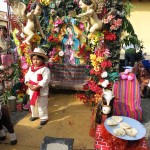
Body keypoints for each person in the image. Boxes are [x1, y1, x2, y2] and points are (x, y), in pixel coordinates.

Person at [25, 47, 50, 126]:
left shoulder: (45, 69)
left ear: (43, 60)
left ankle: (43, 117)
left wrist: (37, 86)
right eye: (34, 59)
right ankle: (35, 115)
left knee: (42, 104)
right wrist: (29, 84)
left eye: (38, 59)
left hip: (41, 90)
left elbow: (46, 80)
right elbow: (27, 77)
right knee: (33, 103)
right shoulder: (30, 68)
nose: (35, 61)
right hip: (32, 89)